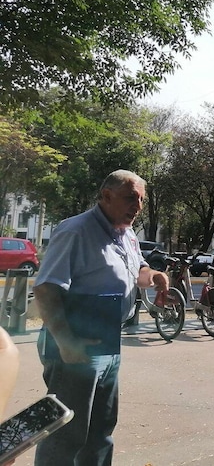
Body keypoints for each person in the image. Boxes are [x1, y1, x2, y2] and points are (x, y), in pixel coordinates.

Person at [32, 169, 169, 466]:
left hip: (107, 342)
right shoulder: (75, 231)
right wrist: (66, 341)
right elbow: (45, 289)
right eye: (130, 198)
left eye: (141, 200)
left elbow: (139, 270)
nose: (138, 206)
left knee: (101, 429)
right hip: (75, 343)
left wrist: (154, 276)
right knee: (66, 431)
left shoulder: (127, 233)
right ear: (106, 196)